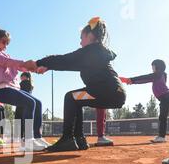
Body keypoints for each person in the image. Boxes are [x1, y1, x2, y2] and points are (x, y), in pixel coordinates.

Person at [32, 17, 127, 152]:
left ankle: (68, 139)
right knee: (76, 99)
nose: (80, 42)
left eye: (81, 37)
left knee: (70, 97)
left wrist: (39, 63)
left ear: (90, 36)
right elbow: (68, 63)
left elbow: (65, 60)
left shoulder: (91, 51)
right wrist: (48, 66)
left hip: (107, 91)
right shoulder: (96, 52)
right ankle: (79, 139)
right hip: (113, 92)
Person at [0, 25, 48, 151]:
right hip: (1, 89)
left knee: (37, 103)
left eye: (7, 43)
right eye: (3, 42)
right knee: (30, 103)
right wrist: (24, 63)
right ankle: (28, 141)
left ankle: (37, 138)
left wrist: (35, 68)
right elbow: (4, 61)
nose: (5, 46)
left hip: (12, 88)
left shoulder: (5, 54)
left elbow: (18, 66)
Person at [120, 60, 169, 143]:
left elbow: (145, 77)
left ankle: (162, 137)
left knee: (162, 117)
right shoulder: (159, 75)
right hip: (164, 99)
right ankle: (161, 136)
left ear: (158, 67)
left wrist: (131, 80)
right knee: (162, 117)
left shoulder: (158, 74)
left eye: (153, 66)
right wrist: (132, 81)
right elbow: (145, 80)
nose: (152, 68)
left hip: (166, 98)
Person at [16, 72, 34, 140]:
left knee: (19, 120)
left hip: (21, 103)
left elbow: (18, 91)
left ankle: (20, 136)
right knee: (25, 120)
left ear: (25, 77)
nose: (20, 78)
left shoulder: (23, 83)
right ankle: (26, 136)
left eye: (21, 76)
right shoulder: (30, 84)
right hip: (27, 103)